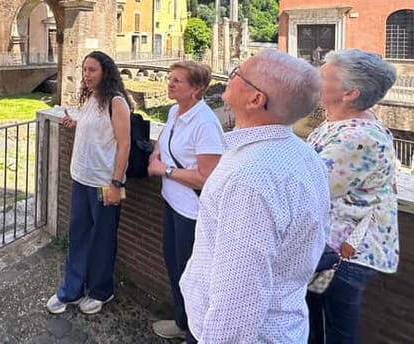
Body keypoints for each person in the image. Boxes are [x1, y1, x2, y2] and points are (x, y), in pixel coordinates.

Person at [180, 50, 330, 343]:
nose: (230, 74)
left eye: (238, 72)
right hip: (283, 326)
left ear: (255, 99)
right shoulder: (304, 155)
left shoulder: (250, 177)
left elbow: (239, 294)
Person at [306, 49, 398, 344]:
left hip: (344, 255)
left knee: (331, 333)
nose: (315, 80)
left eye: (324, 77)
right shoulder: (339, 123)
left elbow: (309, 190)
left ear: (349, 93)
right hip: (334, 247)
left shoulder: (358, 139)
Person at [46, 50, 131, 316]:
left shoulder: (117, 102)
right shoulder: (93, 99)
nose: (86, 75)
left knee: (103, 240)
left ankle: (100, 291)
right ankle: (71, 290)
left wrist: (116, 183)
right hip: (80, 178)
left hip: (104, 182)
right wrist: (77, 123)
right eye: (84, 70)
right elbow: (95, 128)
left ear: (106, 71)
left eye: (92, 70)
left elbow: (124, 143)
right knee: (78, 236)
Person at [147, 61, 224, 341]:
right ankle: (182, 322)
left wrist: (164, 170)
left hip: (192, 213)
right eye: (171, 79)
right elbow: (164, 141)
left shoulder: (205, 124)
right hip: (172, 202)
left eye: (177, 81)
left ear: (197, 89)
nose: (170, 84)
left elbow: (207, 178)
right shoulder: (175, 111)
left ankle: (194, 332)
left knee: (190, 274)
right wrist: (156, 155)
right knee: (174, 265)